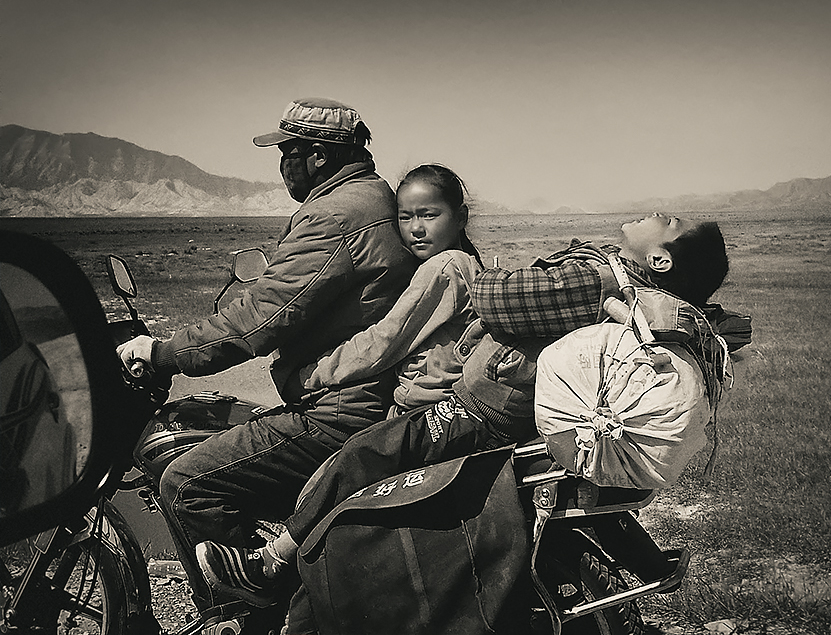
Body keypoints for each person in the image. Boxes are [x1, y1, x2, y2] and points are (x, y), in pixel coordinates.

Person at [191, 213, 733, 616]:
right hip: (509, 407)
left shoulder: (600, 281)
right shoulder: (655, 301)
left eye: (670, 223)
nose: (659, 213)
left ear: (660, 260)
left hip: (486, 410)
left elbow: (495, 297)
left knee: (363, 456)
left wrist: (486, 281)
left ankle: (272, 563)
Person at [115, 97, 418, 633]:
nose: (282, 166)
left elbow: (258, 321)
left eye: (288, 153)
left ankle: (249, 617)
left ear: (318, 155)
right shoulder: (374, 197)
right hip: (367, 398)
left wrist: (162, 353)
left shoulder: (334, 215)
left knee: (186, 482)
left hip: (341, 410)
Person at [194, 163, 485, 607]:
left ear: (460, 217)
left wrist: (313, 374)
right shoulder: (460, 263)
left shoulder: (445, 267)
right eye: (405, 217)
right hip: (425, 410)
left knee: (348, 466)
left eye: (429, 215)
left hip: (424, 415)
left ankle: (271, 563)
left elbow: (384, 341)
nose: (416, 228)